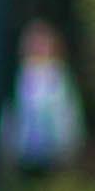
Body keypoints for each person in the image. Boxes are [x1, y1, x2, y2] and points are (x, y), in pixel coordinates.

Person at [8, 20, 82, 174]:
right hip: (26, 148)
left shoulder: (58, 75)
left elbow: (66, 111)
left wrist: (68, 142)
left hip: (53, 147)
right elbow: (15, 111)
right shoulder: (23, 75)